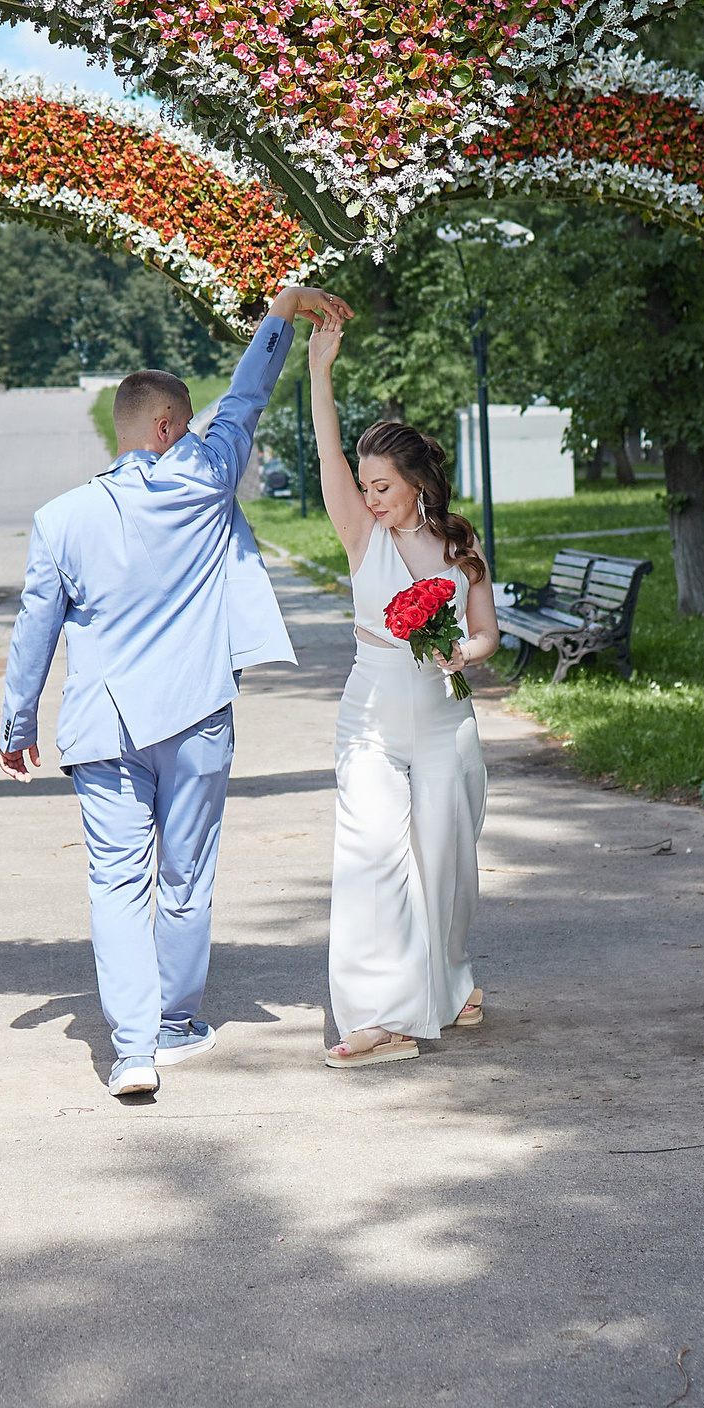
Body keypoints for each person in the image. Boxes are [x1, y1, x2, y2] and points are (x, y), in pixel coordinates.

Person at [2, 285, 352, 1098]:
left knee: (116, 884)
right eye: (187, 425)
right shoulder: (204, 479)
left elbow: (34, 629)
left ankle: (131, 1051)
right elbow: (249, 394)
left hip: (104, 728)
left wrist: (19, 720)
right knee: (184, 878)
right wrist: (281, 313)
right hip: (196, 719)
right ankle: (173, 1021)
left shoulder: (60, 519)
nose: (198, 433)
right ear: (167, 429)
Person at [304, 315, 498, 1067]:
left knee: (446, 863)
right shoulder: (362, 536)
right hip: (372, 717)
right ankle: (375, 1017)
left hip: (445, 717)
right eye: (364, 485)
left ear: (416, 482)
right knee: (368, 856)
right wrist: (321, 373)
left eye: (382, 485)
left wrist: (461, 652)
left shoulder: (458, 544)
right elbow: (328, 456)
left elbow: (487, 633)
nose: (370, 496)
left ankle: (450, 981)